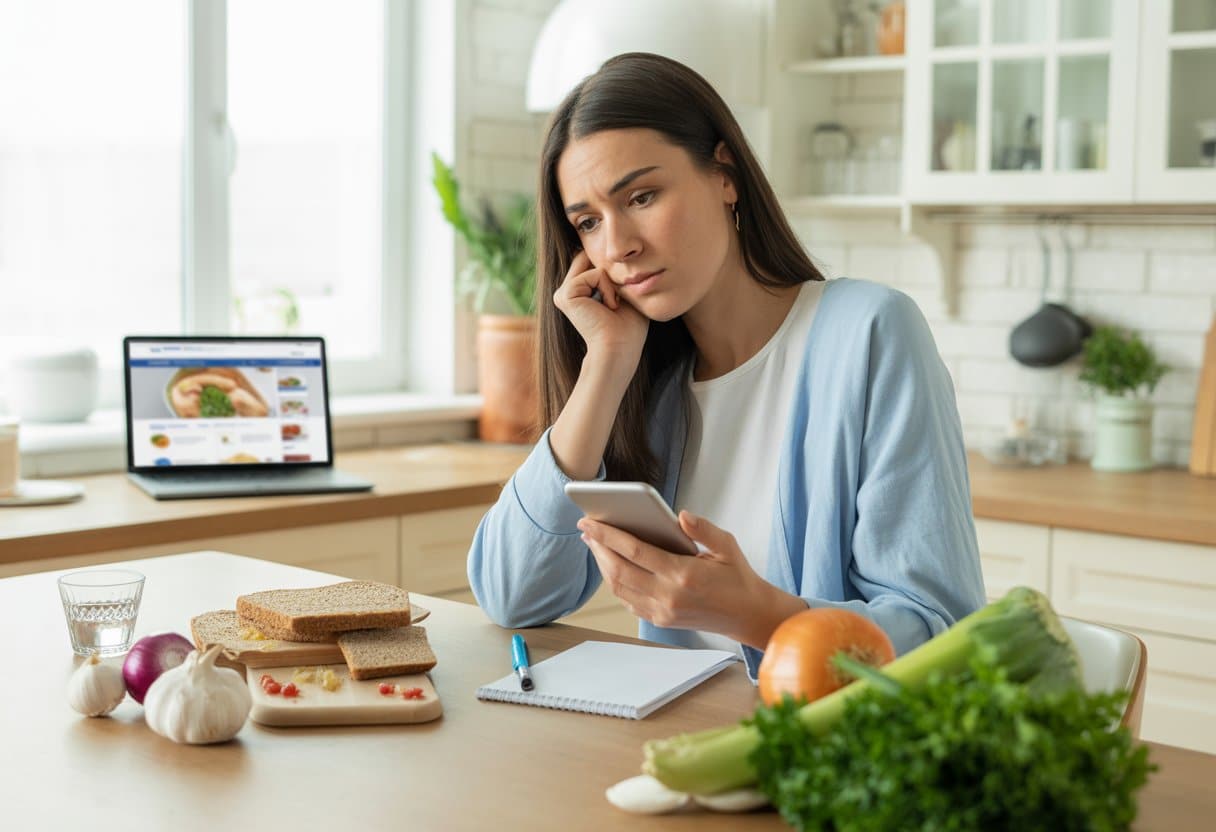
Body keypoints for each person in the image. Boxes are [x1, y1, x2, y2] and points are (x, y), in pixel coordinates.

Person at [467, 52, 985, 678]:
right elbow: (511, 595)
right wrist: (605, 364)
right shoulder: (647, 387)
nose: (618, 244)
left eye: (643, 195)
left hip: (834, 759)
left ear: (724, 174)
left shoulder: (871, 333)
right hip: (676, 755)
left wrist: (758, 614)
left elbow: (942, 636)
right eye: (588, 222)